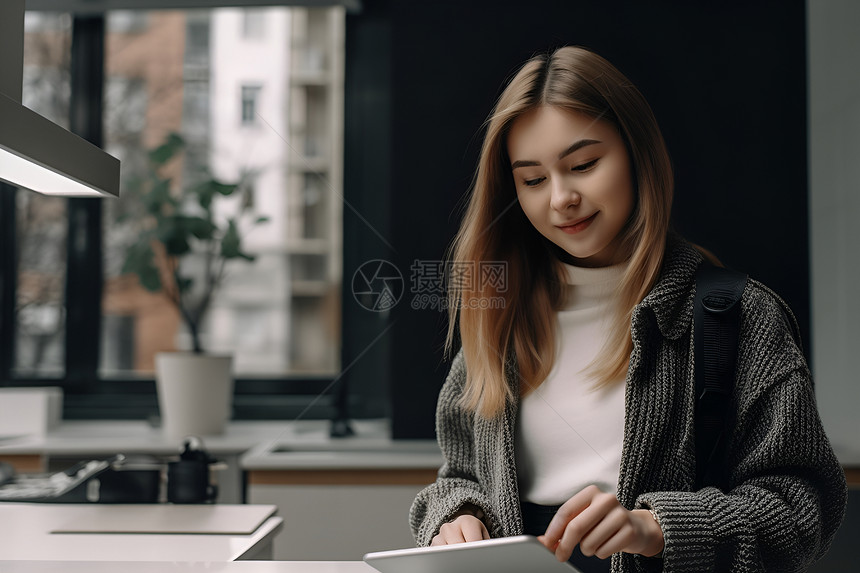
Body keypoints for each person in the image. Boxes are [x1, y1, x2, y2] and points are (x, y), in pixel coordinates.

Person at [409, 46, 847, 573]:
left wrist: (660, 528)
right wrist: (452, 515)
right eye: (532, 179)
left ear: (639, 155)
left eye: (584, 164)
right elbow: (458, 476)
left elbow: (802, 509)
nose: (561, 198)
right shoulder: (501, 319)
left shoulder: (740, 317)